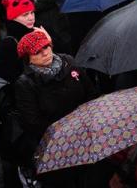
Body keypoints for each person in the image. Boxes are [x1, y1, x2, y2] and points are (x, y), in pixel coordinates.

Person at [12, 31, 98, 169]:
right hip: (59, 143)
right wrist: (66, 128)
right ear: (28, 59)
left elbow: (90, 92)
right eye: (37, 52)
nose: (45, 53)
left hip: (87, 129)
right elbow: (33, 122)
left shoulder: (68, 62)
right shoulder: (26, 83)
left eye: (46, 47)